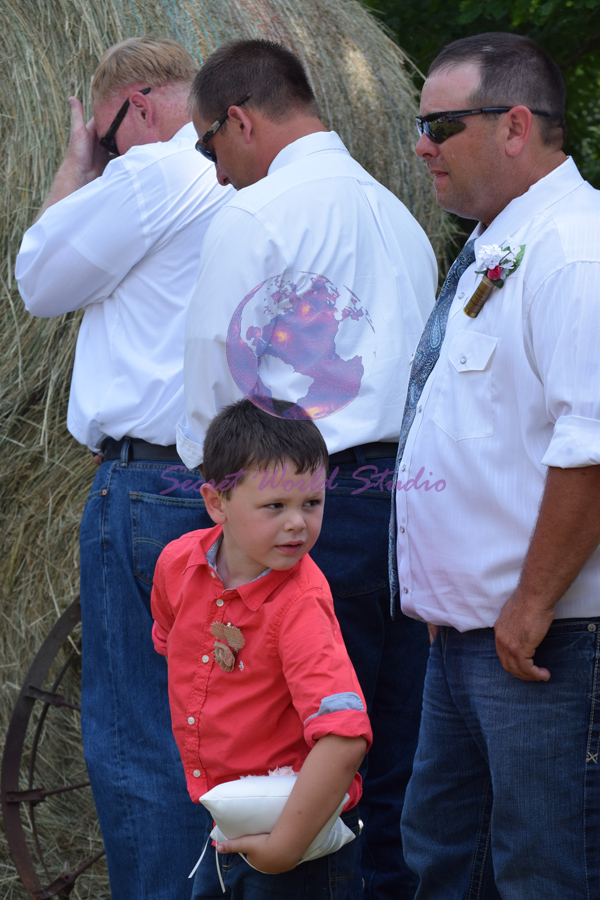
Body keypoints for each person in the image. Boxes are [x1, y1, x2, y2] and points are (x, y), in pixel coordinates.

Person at [176, 38, 438, 899]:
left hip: (309, 510)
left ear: (239, 121)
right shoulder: (397, 214)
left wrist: (218, 511)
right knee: (398, 753)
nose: (214, 173)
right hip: (412, 505)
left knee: (299, 760)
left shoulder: (255, 217)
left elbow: (219, 402)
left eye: (210, 146)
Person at [15, 36, 233, 900]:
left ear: (138, 107)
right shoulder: (237, 178)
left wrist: (76, 165)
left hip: (148, 486)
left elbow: (38, 276)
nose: (105, 156)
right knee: (218, 729)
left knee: (139, 735)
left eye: (106, 135)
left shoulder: (149, 176)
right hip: (226, 484)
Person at [389, 32, 600, 900]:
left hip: (547, 645)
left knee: (543, 874)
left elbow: (591, 449)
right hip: (475, 638)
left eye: (440, 123)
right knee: (447, 861)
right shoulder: (505, 242)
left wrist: (530, 601)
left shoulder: (575, 253)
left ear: (515, 126)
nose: (420, 144)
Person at [151, 398, 373, 898]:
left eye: (311, 503)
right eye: (276, 506)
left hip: (296, 838)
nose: (297, 523)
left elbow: (345, 738)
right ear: (216, 503)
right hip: (225, 822)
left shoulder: (300, 605)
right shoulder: (176, 567)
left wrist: (285, 847)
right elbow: (171, 645)